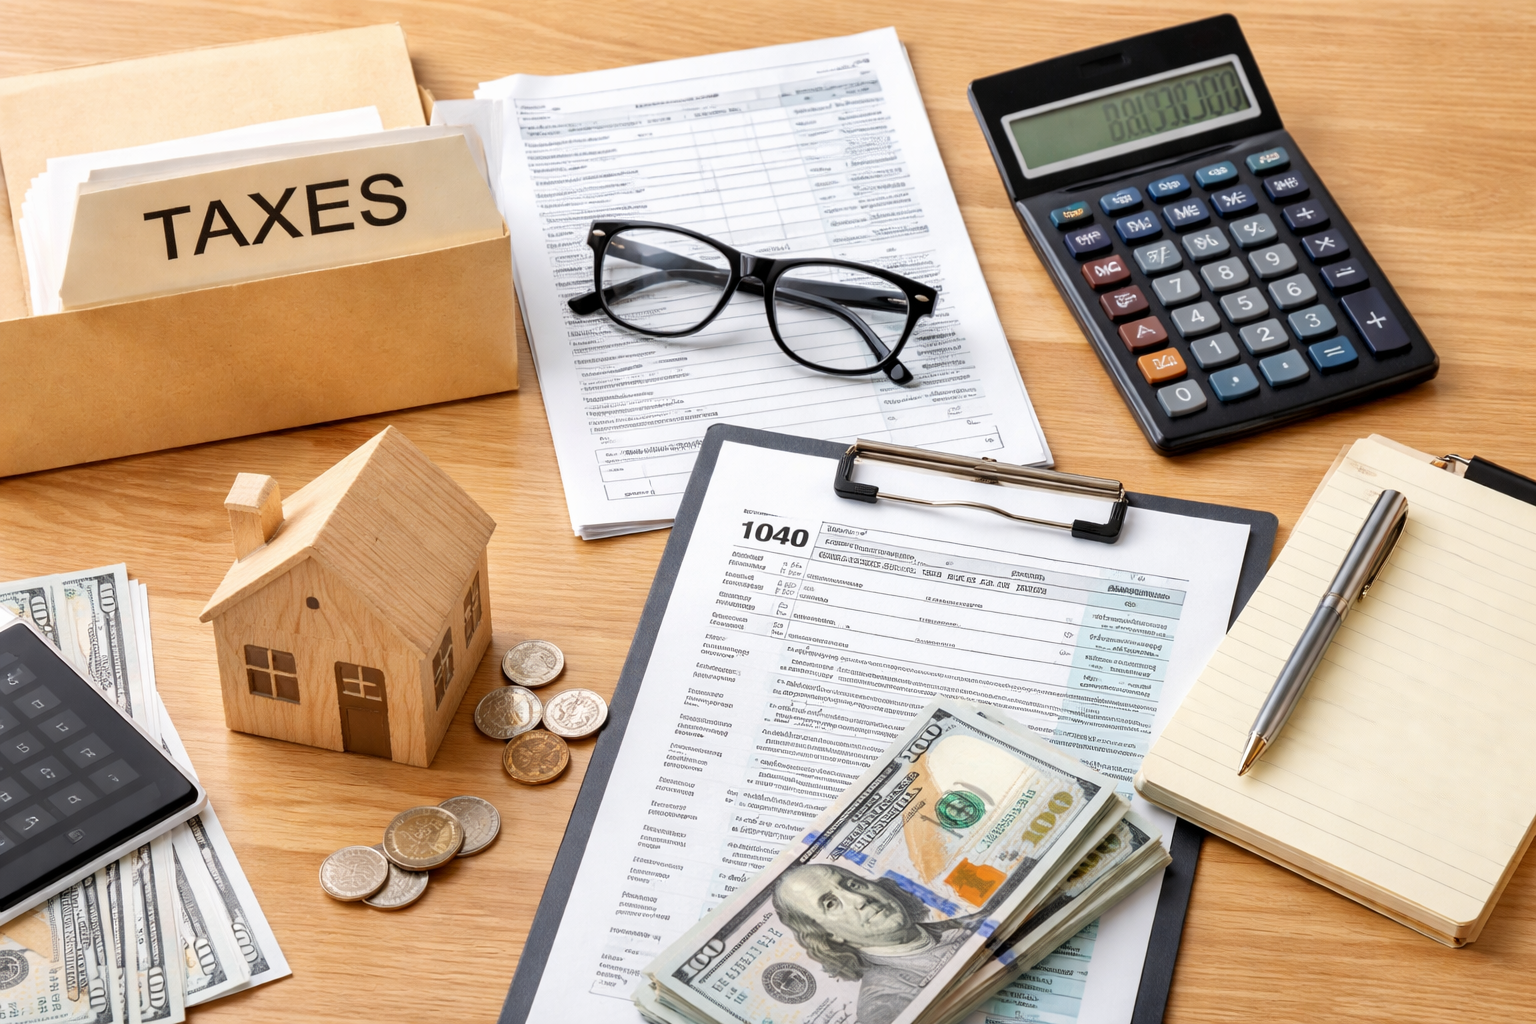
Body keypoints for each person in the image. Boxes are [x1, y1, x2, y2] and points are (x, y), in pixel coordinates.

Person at [770, 863, 977, 1024]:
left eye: (853, 884)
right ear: (828, 934)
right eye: (830, 904)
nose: (859, 899)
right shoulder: (883, 1004)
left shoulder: (972, 923)